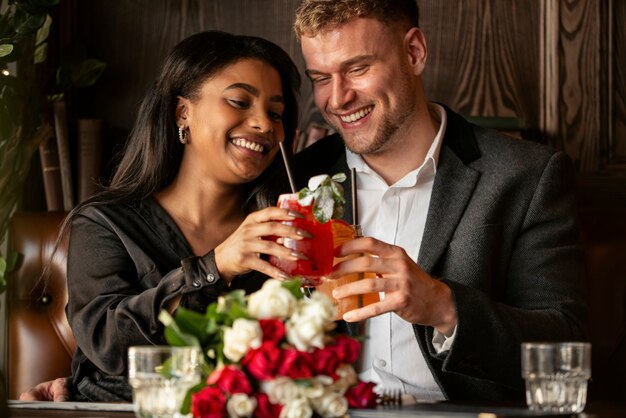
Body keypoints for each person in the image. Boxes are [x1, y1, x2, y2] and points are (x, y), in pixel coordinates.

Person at [290, 0, 587, 402]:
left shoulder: (527, 175)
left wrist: (445, 308)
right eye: (320, 77)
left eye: (358, 69)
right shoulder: (293, 177)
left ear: (414, 52)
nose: (337, 98)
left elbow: (565, 344)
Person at [22, 30, 304, 402]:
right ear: (183, 112)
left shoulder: (285, 234)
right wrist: (214, 267)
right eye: (239, 101)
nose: (265, 124)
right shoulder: (104, 223)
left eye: (276, 113)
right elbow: (107, 342)